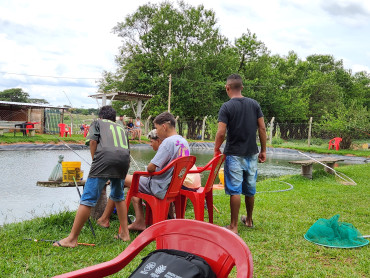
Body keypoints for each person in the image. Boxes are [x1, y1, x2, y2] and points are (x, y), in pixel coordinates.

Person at [53, 106, 131, 247]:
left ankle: (71, 239)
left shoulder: (97, 123)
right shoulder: (121, 127)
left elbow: (93, 142)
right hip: (124, 160)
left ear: (101, 117)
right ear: (114, 118)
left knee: (87, 198)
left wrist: (95, 160)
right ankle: (125, 234)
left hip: (104, 159)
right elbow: (126, 148)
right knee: (119, 196)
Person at [97, 128, 200, 228]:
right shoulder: (180, 144)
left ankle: (105, 218)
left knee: (120, 178)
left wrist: (141, 174)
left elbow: (151, 169)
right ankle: (139, 220)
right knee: (131, 186)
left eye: (151, 142)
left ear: (159, 141)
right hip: (172, 186)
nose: (150, 144)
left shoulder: (165, 147)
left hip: (160, 187)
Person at [214, 74, 267, 235]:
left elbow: (221, 132)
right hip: (251, 153)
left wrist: (217, 149)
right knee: (250, 188)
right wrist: (263, 150)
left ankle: (234, 226)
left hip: (234, 154)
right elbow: (262, 128)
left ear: (227, 88)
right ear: (242, 87)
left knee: (235, 190)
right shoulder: (254, 104)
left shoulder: (226, 107)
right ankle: (249, 220)